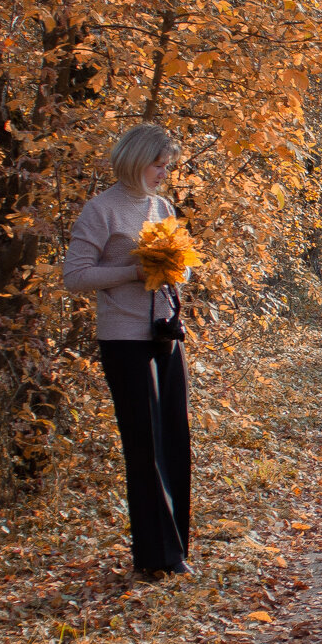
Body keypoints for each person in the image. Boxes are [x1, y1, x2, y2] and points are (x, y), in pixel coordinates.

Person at [63, 124, 193, 579]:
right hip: (123, 339)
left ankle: (177, 548)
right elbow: (75, 277)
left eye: (167, 165)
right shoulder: (101, 211)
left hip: (164, 333)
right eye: (159, 164)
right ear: (137, 160)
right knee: (145, 446)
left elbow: (181, 270)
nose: (164, 173)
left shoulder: (161, 207)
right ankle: (156, 558)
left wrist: (175, 267)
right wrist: (131, 270)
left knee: (175, 438)